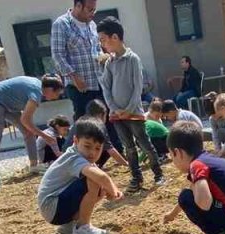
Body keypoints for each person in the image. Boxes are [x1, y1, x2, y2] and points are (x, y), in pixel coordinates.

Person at [97, 17, 166, 190]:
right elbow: (105, 87)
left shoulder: (133, 59)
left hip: (133, 112)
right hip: (117, 115)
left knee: (145, 144)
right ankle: (136, 177)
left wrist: (128, 109)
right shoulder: (110, 63)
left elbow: (137, 87)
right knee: (129, 147)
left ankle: (158, 174)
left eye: (104, 40)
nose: (103, 44)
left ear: (115, 37)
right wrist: (114, 108)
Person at [37, 118, 124, 234]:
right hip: (52, 206)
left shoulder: (81, 157)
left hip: (54, 208)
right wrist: (115, 193)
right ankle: (83, 228)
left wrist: (109, 189)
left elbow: (102, 178)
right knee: (93, 179)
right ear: (76, 141)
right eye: (87, 146)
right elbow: (101, 177)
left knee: (99, 186)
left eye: (98, 148)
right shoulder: (73, 157)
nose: (92, 153)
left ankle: (70, 225)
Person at [0, 74, 66, 193]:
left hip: (7, 104)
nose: (57, 97)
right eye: (57, 94)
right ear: (50, 89)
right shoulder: (36, 94)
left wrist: (40, 134)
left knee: (28, 132)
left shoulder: (38, 86)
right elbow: (25, 120)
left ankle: (34, 165)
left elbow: (26, 122)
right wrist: (45, 136)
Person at [52, 0, 105, 121]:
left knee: (106, 124)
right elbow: (57, 55)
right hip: (80, 87)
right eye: (90, 10)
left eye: (94, 10)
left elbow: (97, 49)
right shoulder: (61, 24)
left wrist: (103, 57)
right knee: (86, 125)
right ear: (78, 6)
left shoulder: (92, 25)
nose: (93, 13)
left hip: (99, 83)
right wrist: (74, 77)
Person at [85, 99, 131, 169]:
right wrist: (126, 164)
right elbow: (111, 150)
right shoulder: (98, 127)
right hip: (80, 163)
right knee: (106, 147)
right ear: (101, 115)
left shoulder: (80, 121)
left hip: (69, 159)